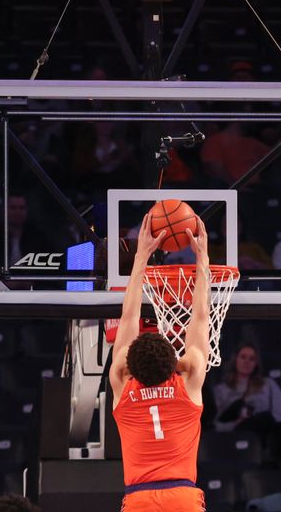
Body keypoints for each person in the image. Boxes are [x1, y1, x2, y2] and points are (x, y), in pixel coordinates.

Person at [109, 213, 210, 511]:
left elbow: (127, 317)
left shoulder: (121, 381)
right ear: (174, 361)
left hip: (140, 496)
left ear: (129, 363)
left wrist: (141, 256)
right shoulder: (189, 377)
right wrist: (202, 258)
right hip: (182, 496)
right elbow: (201, 317)